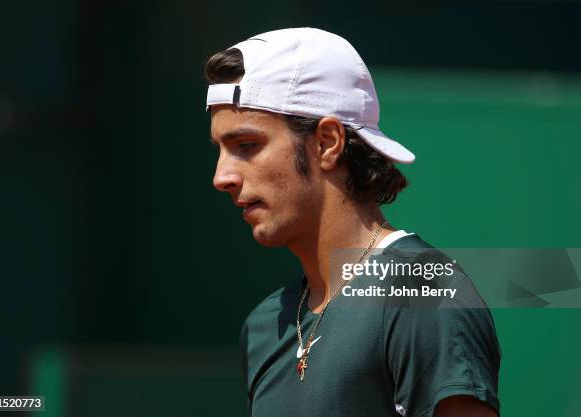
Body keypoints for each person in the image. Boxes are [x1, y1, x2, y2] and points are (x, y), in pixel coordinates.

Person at [204, 28, 501, 417]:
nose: (221, 176)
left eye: (247, 146)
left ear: (328, 142)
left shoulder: (423, 291)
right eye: (221, 150)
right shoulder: (264, 326)